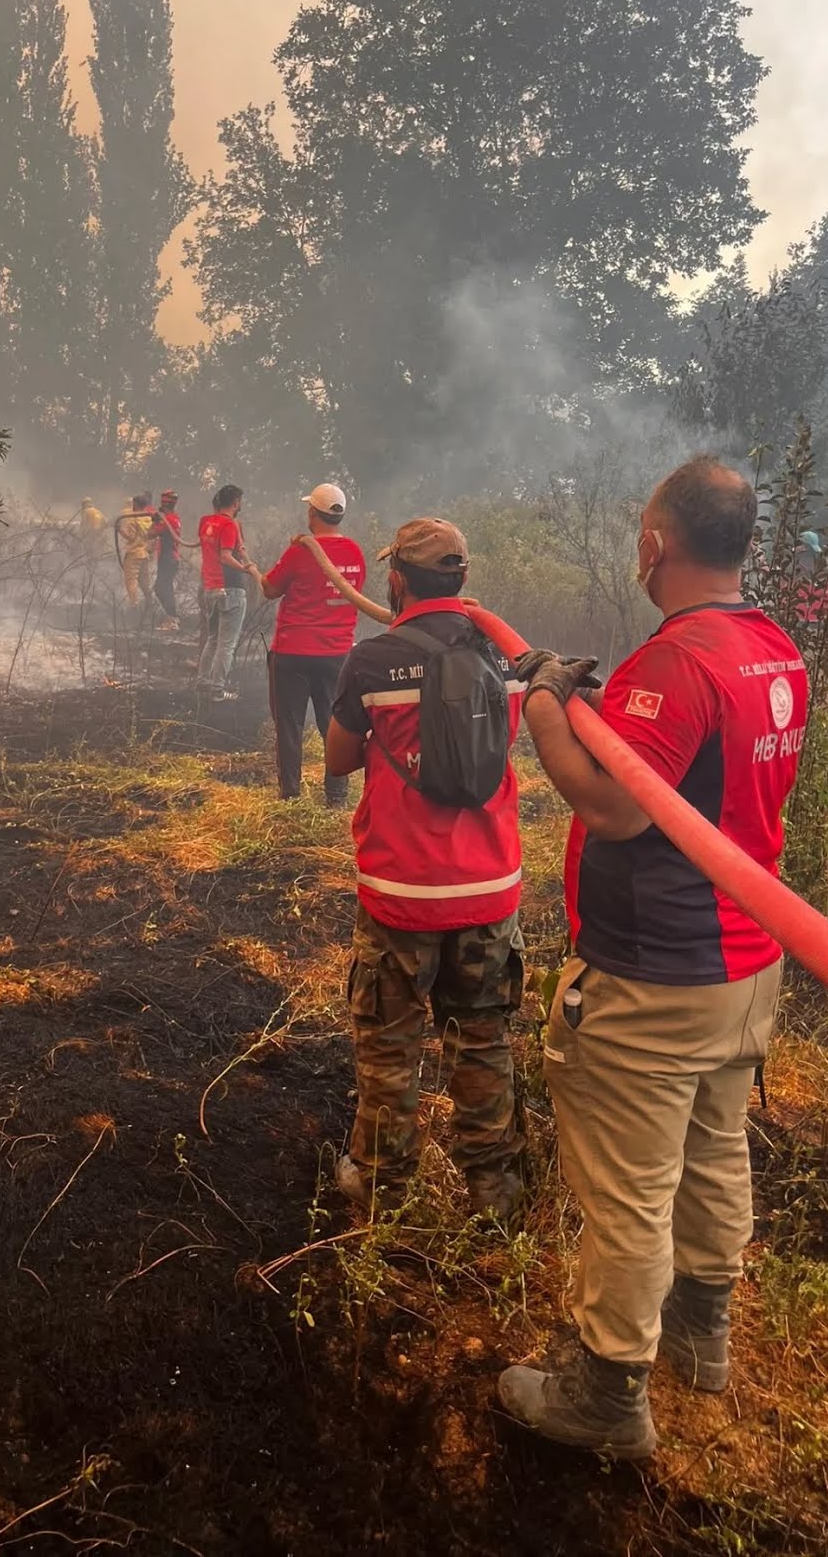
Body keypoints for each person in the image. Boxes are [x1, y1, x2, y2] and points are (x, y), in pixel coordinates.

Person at [497, 456, 808, 1461]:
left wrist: (541, 706)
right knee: (714, 1146)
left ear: (654, 544)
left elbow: (614, 806)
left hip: (653, 974)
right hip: (743, 967)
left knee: (627, 1188)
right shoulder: (772, 648)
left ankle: (606, 1392)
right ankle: (699, 1335)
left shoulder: (677, 662)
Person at [325, 518, 527, 1220]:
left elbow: (338, 759)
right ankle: (495, 1194)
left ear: (396, 580)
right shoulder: (505, 655)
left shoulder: (371, 660)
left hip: (400, 891)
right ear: (462, 577)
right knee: (482, 1040)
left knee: (389, 1044)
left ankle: (381, 1187)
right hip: (489, 887)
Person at [248, 482, 366, 807]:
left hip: (292, 653)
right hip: (337, 655)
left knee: (289, 725)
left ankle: (290, 797)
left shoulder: (300, 551)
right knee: (335, 725)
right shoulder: (355, 553)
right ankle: (337, 798)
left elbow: (270, 589)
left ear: (312, 512)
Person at [198, 484, 251, 701]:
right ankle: (217, 690)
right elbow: (225, 556)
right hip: (231, 590)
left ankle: (203, 682)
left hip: (210, 588)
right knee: (226, 645)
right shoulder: (229, 525)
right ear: (236, 502)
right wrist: (246, 569)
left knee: (212, 639)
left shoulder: (205, 521)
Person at [115, 492, 159, 620]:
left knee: (131, 580)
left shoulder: (132, 519)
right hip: (144, 554)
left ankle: (133, 606)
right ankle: (151, 604)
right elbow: (153, 535)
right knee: (145, 583)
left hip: (134, 554)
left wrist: (120, 530)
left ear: (136, 504)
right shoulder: (148, 518)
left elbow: (131, 537)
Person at [154, 489, 183, 630]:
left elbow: (150, 533)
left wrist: (155, 521)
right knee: (164, 588)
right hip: (169, 557)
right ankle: (171, 618)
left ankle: (172, 619)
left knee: (162, 588)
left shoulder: (168, 520)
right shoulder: (174, 518)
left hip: (168, 558)